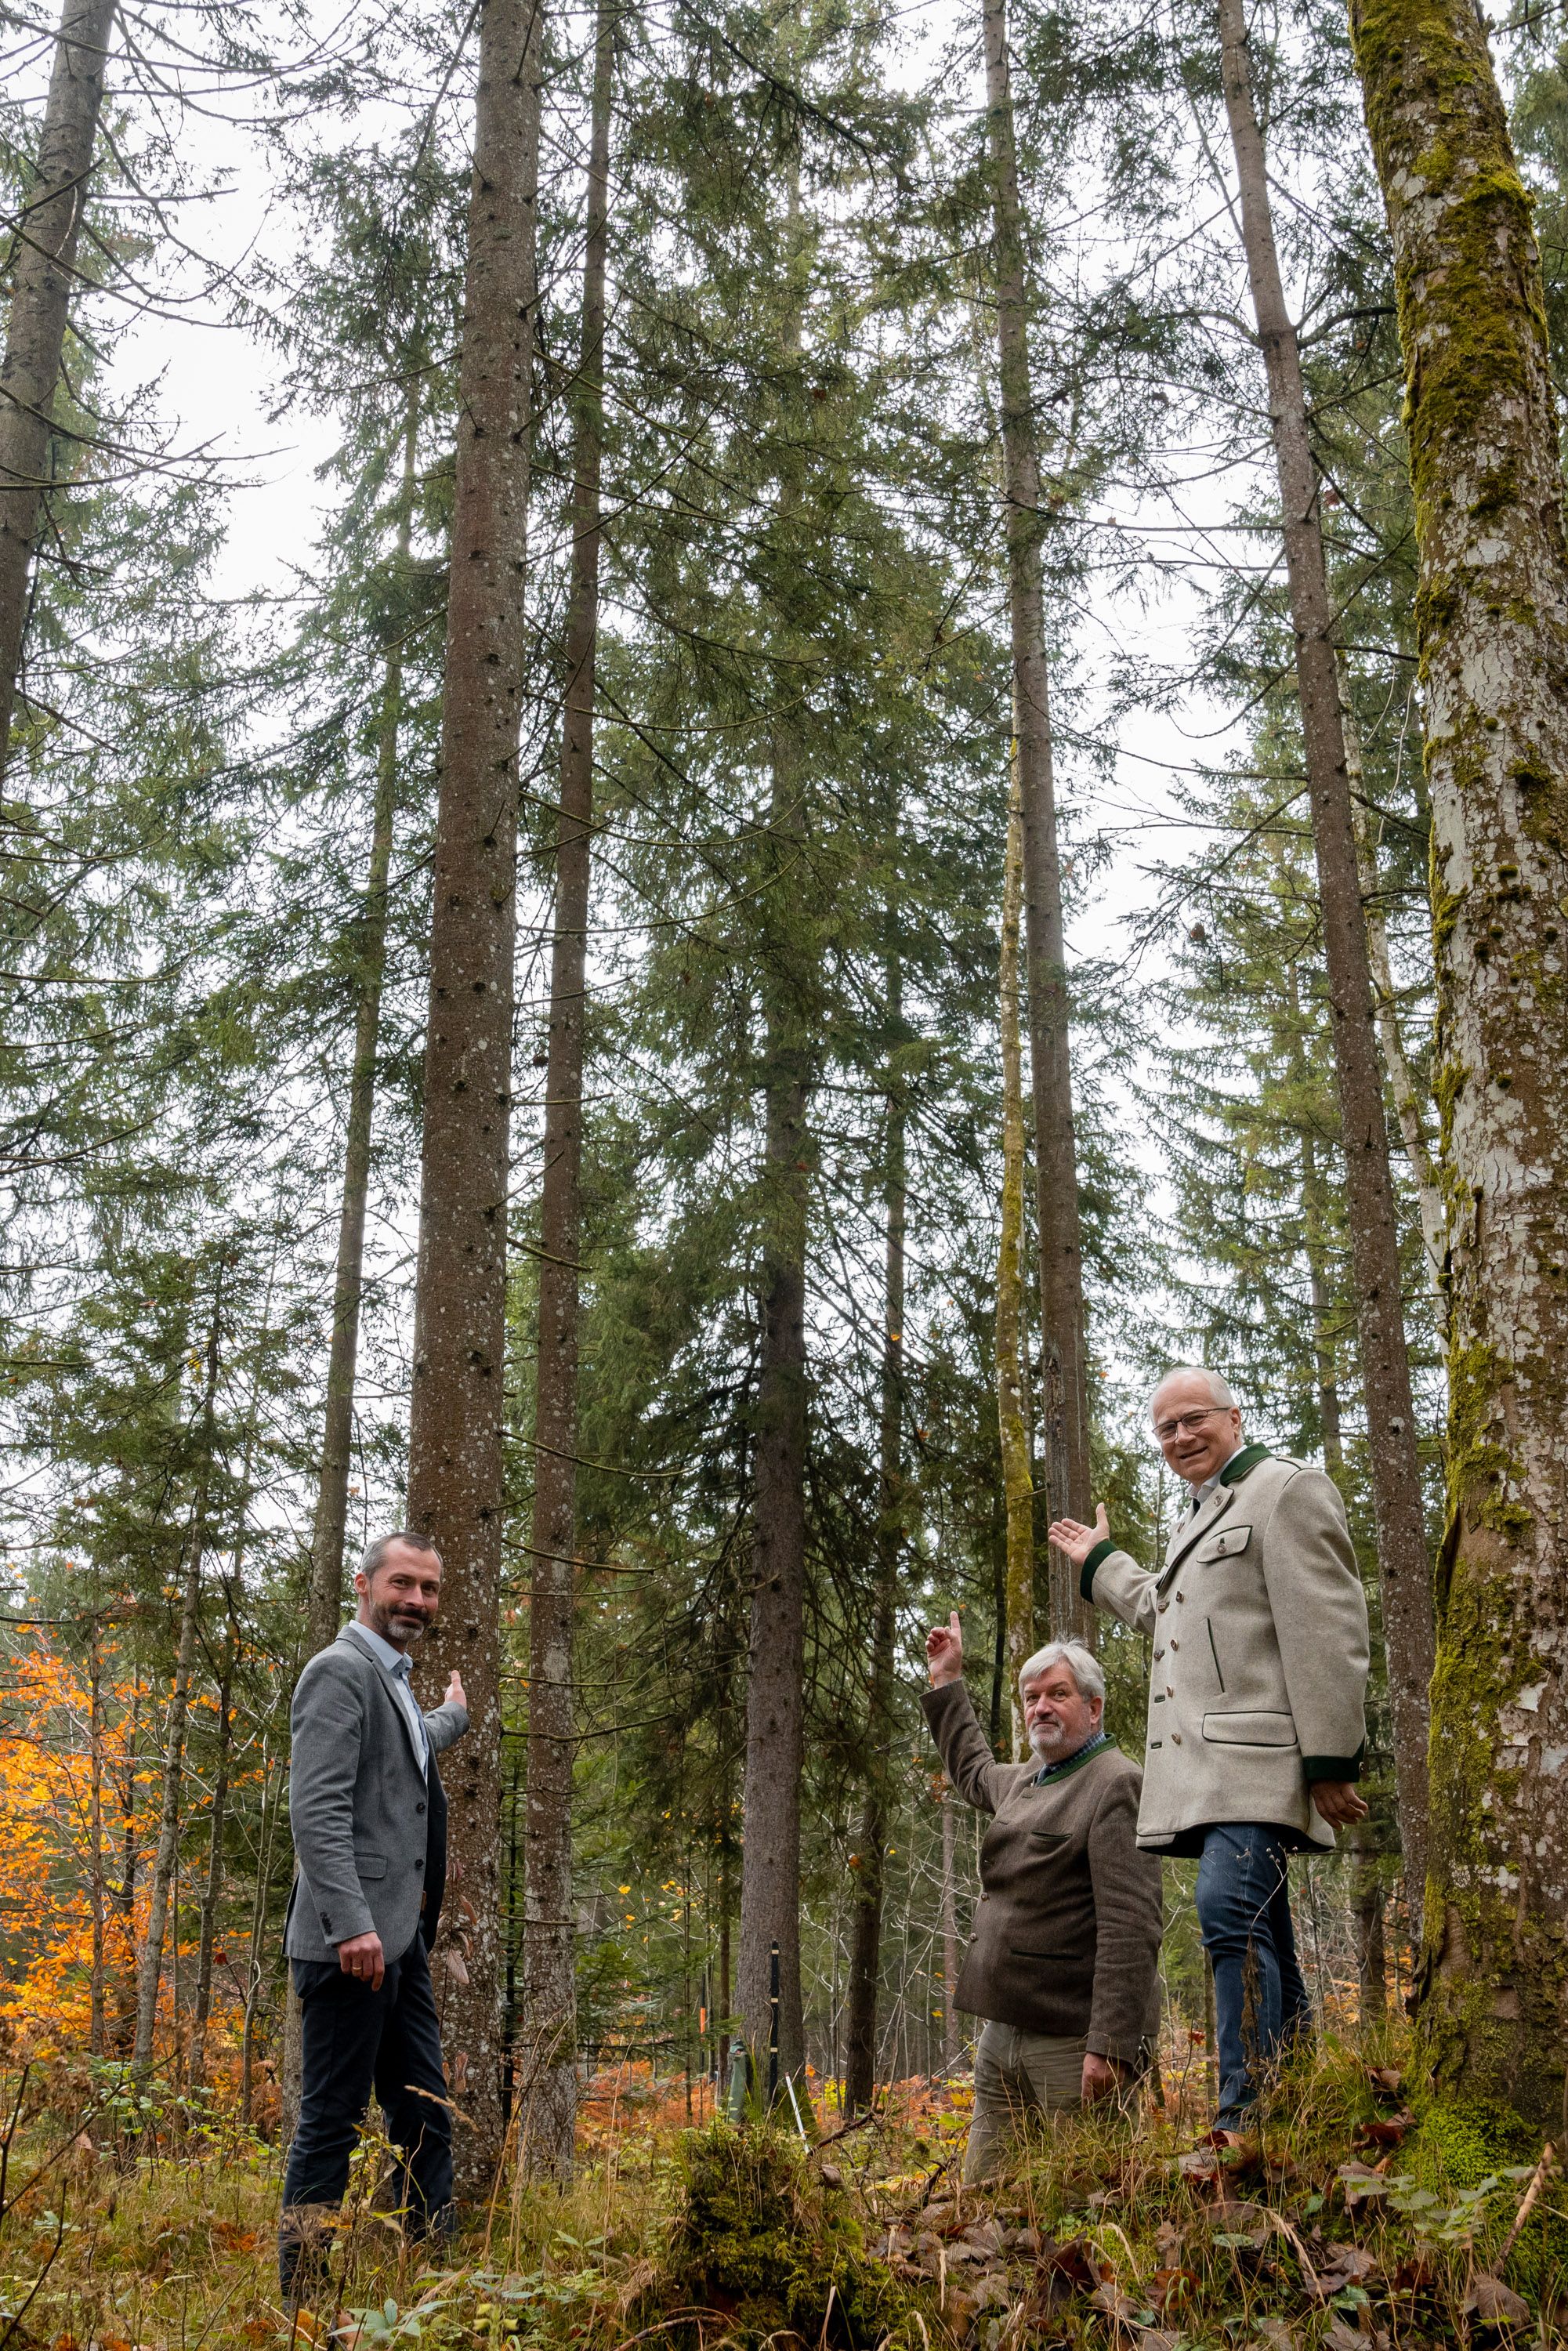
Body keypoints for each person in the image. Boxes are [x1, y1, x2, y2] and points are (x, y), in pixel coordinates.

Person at [1048, 1365, 1370, 2132]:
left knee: (1230, 1911)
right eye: (1166, 1429)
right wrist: (1102, 1561)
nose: (1181, 1437)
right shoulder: (1204, 1512)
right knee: (1259, 1926)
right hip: (1216, 1772)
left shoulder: (1285, 1490)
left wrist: (1329, 1762)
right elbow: (1168, 1609)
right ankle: (1294, 2100)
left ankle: (1242, 2121)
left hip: (1259, 1760)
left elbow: (1331, 1629)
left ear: (1235, 1415)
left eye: (1195, 1419)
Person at [278, 1532, 469, 2298]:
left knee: (424, 2112)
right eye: (402, 1584)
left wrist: (452, 1715)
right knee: (330, 2125)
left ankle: (436, 2280)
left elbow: (409, 1743)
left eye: (427, 1588)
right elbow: (315, 1807)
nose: (415, 1601)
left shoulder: (388, 1678)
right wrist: (352, 1923)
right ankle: (305, 2293)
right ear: (363, 1584)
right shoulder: (339, 1671)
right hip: (348, 1947)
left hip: (400, 1944)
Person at [922, 1616, 1163, 2182]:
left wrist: (1109, 2046)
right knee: (984, 2200)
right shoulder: (1033, 1776)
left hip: (1073, 2043)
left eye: (1058, 1695)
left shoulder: (1115, 1783)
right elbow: (973, 1772)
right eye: (1032, 1699)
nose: (1041, 1709)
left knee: (1084, 2203)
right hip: (1001, 2033)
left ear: (1094, 1707)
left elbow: (1132, 1927)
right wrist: (946, 1681)